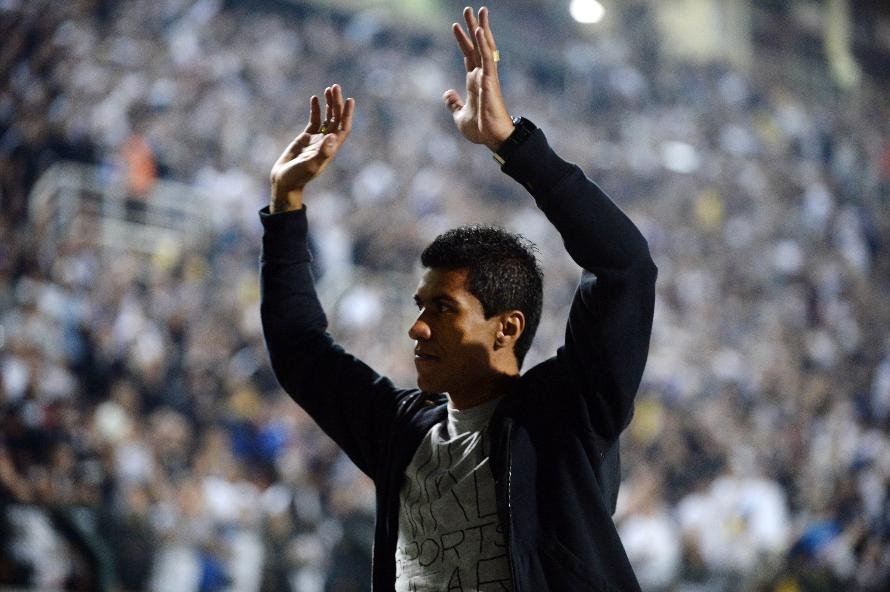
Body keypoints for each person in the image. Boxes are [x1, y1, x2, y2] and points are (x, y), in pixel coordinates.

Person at [259, 6, 656, 590]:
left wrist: (512, 145)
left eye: (442, 310)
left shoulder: (564, 417)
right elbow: (299, 349)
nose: (417, 329)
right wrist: (285, 203)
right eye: (421, 309)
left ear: (507, 327)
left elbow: (625, 267)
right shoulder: (400, 430)